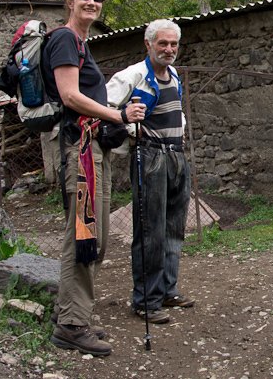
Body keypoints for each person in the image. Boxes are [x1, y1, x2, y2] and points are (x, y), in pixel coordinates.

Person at [44, 0, 146, 357]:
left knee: (95, 239)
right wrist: (118, 115)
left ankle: (75, 315)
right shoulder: (65, 40)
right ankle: (71, 325)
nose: (91, 2)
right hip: (80, 153)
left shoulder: (82, 44)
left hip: (91, 151)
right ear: (69, 1)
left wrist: (117, 116)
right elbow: (71, 96)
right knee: (84, 239)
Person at [107, 19, 194, 325]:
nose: (169, 49)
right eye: (163, 44)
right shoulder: (132, 76)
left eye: (173, 44)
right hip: (150, 156)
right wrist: (129, 129)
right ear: (148, 44)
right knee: (150, 231)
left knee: (174, 228)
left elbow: (176, 110)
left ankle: (167, 290)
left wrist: (180, 132)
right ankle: (146, 300)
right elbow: (103, 106)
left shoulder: (172, 75)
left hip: (176, 156)